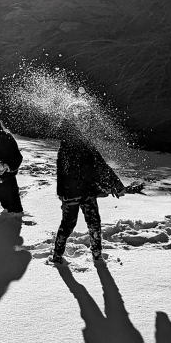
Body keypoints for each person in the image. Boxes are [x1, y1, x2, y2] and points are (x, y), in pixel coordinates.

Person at [50, 107, 124, 264]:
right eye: (81, 119)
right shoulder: (69, 142)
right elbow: (76, 170)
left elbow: (100, 165)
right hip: (72, 193)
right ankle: (57, 256)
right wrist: (108, 185)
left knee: (94, 223)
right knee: (68, 224)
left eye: (87, 120)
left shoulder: (84, 141)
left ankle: (97, 256)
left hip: (86, 191)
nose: (85, 123)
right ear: (73, 120)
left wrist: (115, 184)